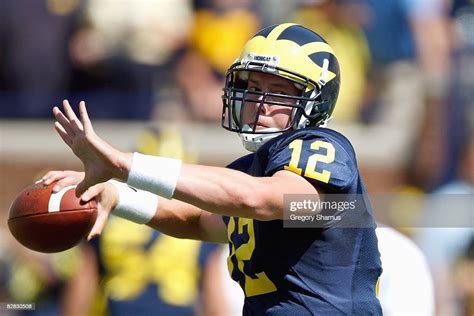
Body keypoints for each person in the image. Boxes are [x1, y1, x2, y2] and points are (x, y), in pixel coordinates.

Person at [41, 23, 382, 314]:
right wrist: (117, 196)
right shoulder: (253, 170)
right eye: (253, 88)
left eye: (278, 92)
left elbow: (259, 200)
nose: (259, 104)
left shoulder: (323, 148)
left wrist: (123, 164)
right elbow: (196, 220)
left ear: (314, 102)